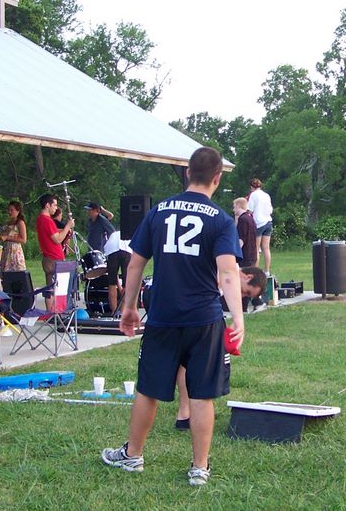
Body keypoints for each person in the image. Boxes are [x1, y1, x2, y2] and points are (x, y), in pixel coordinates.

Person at [101, 147, 245, 487]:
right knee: (201, 394)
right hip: (204, 318)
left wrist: (129, 307)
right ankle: (199, 467)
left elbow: (135, 264)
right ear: (217, 178)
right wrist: (238, 318)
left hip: (163, 316)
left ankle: (133, 455)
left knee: (148, 388)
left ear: (187, 173)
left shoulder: (158, 211)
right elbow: (228, 272)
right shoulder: (221, 219)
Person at [173, 265, 267, 429]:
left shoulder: (225, 277)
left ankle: (185, 413)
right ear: (248, 277)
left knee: (185, 363)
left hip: (186, 311)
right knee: (190, 363)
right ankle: (187, 412)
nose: (242, 296)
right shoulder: (224, 268)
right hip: (183, 310)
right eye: (246, 292)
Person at [36, 193, 74, 312]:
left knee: (50, 287)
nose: (56, 208)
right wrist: (68, 226)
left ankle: (51, 313)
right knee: (56, 289)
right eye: (55, 205)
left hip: (49, 258)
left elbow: (51, 233)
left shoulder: (40, 220)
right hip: (53, 258)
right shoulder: (47, 220)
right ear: (48, 205)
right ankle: (54, 313)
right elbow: (57, 239)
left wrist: (62, 230)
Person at [247, 178, 274, 274]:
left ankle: (256, 272)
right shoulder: (266, 195)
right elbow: (270, 210)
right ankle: (267, 271)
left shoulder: (253, 195)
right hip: (268, 222)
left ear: (252, 187)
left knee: (256, 249)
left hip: (258, 223)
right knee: (266, 248)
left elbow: (250, 210)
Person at [0, 200, 28, 273]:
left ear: (18, 211)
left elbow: (23, 240)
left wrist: (8, 238)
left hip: (15, 251)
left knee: (17, 273)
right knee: (6, 274)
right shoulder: (8, 223)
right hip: (6, 250)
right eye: (8, 210)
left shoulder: (20, 223)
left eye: (12, 210)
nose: (9, 212)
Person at [233, 198, 257, 268]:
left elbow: (241, 239)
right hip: (252, 254)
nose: (233, 210)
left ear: (238, 206)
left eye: (234, 207)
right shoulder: (250, 219)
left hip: (245, 256)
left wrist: (234, 253)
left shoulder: (242, 220)